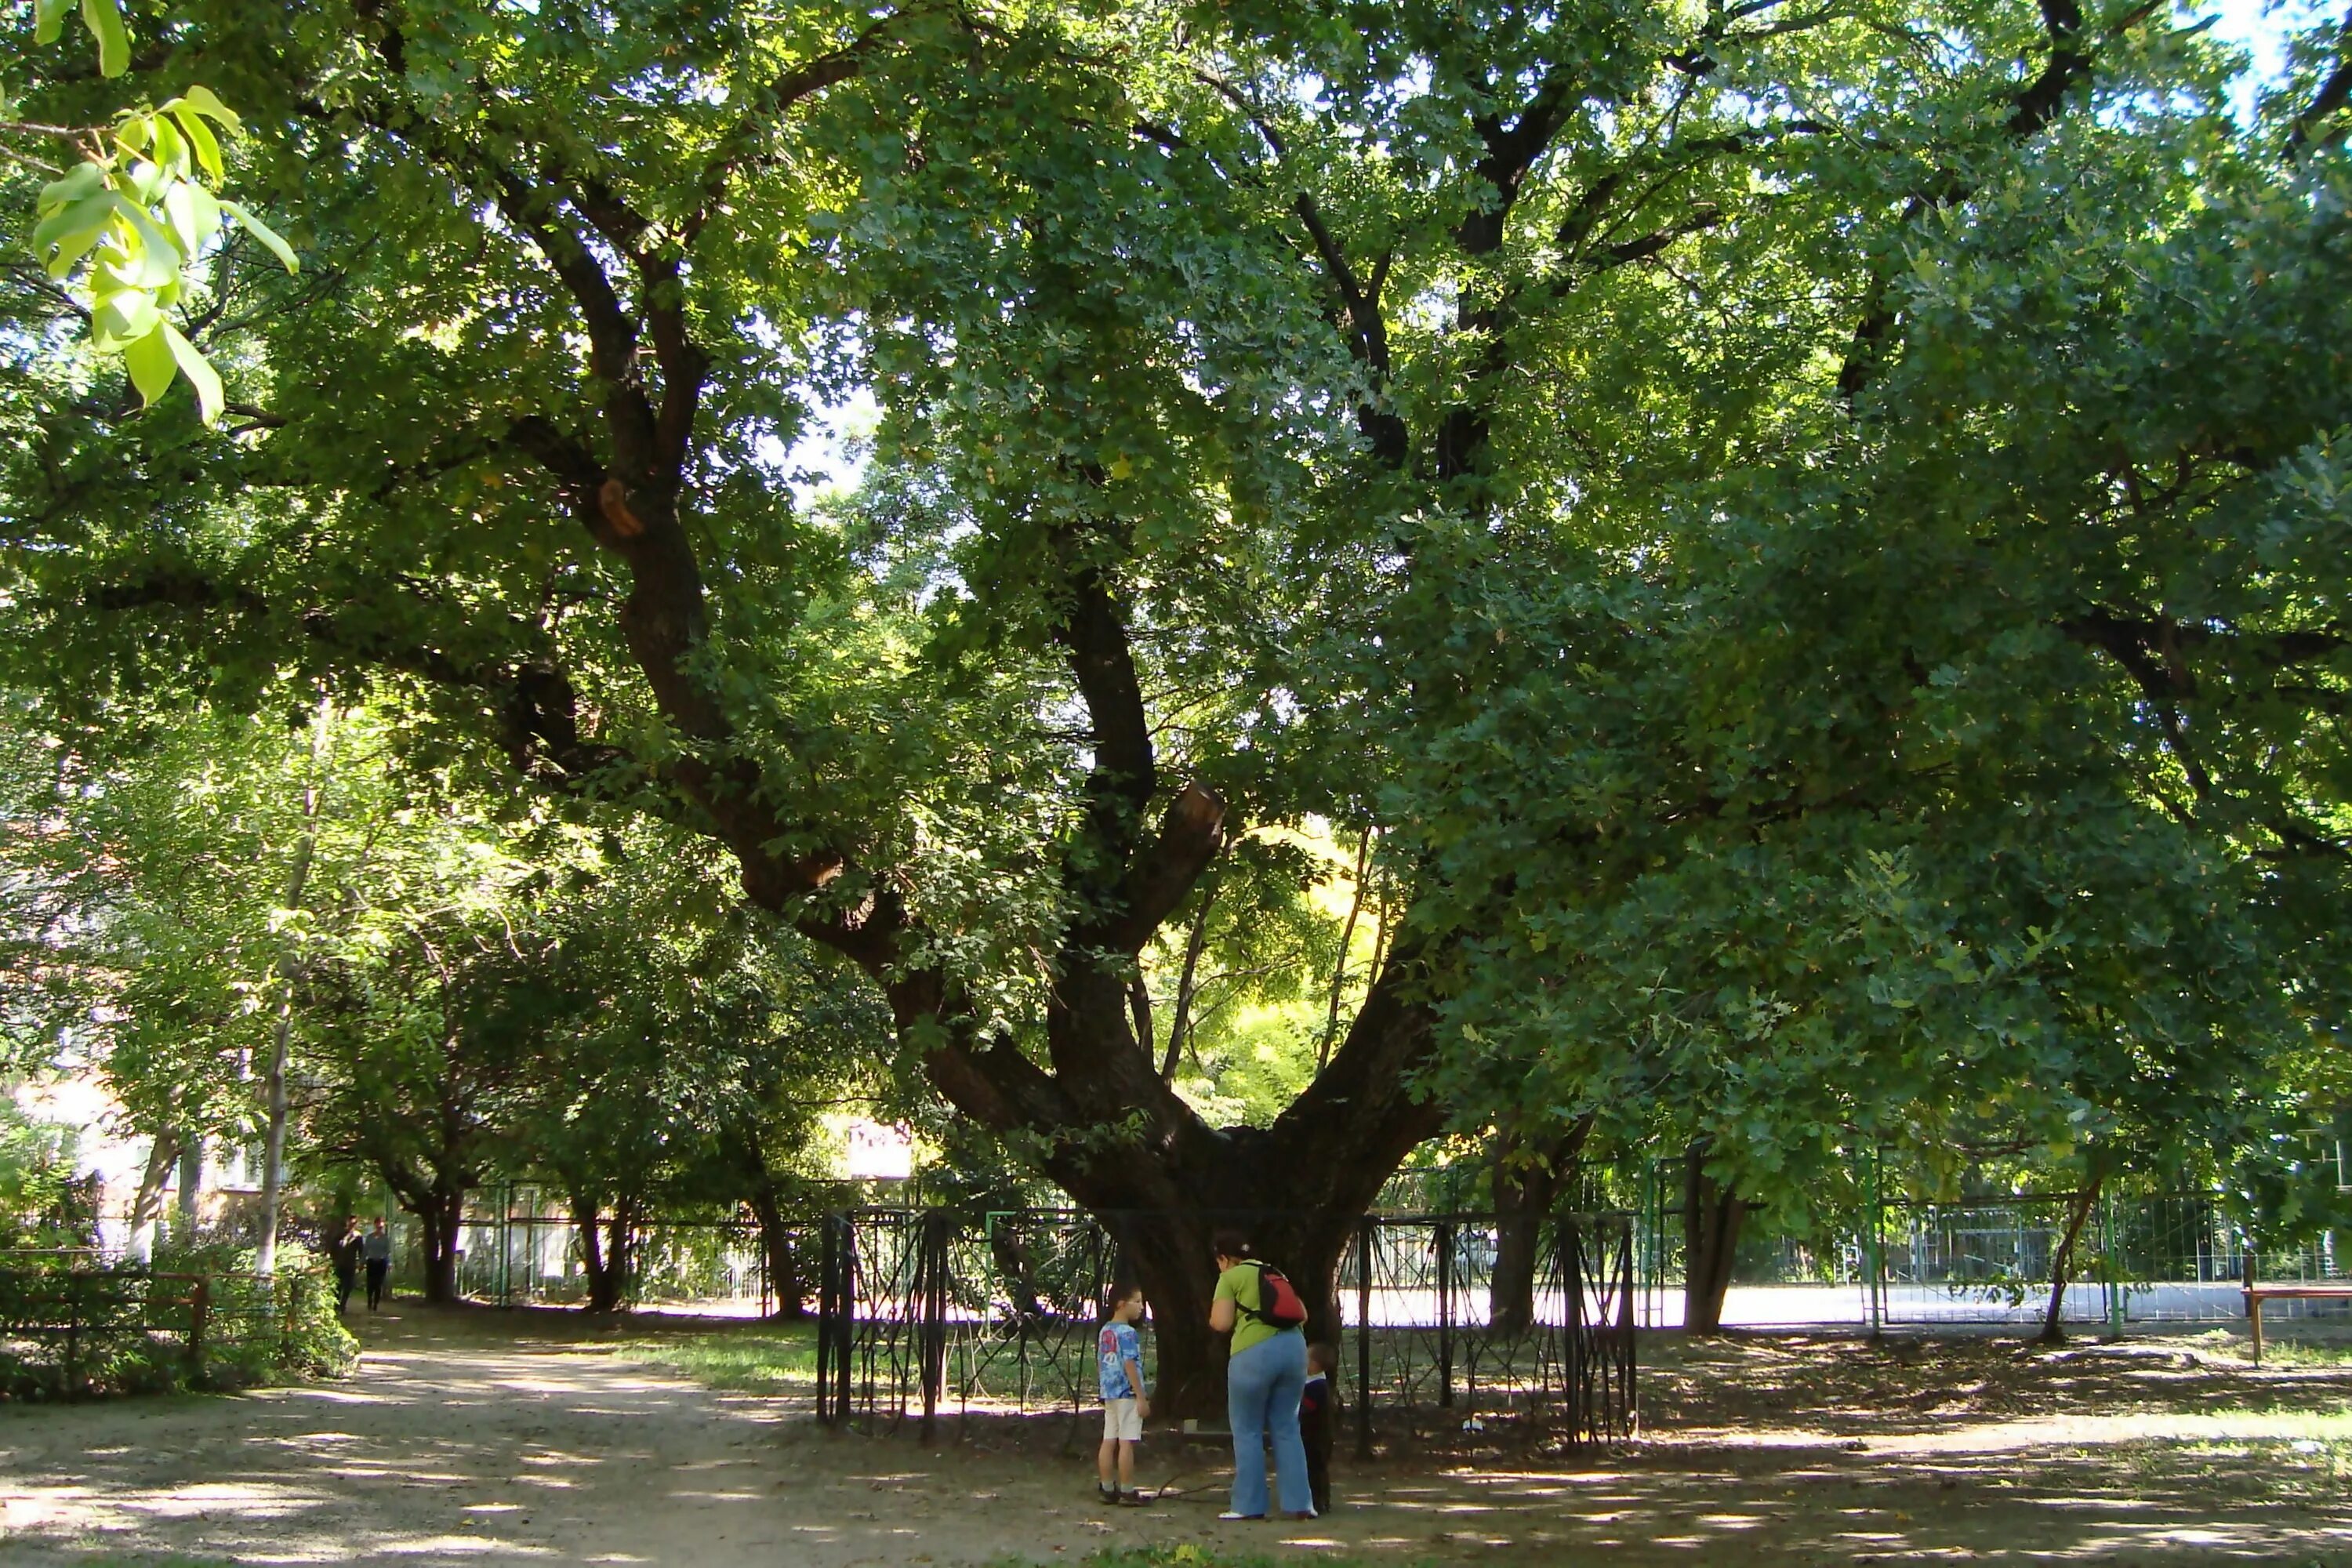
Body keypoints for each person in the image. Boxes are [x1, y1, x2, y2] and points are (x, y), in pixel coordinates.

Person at [1209, 1228, 1313, 1522]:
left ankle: (1248, 1505)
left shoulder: (1230, 1278)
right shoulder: (1274, 1272)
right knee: (1287, 1427)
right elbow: (1302, 1314)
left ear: (1224, 1259)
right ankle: (1300, 1504)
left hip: (1253, 1353)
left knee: (1248, 1430)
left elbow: (1221, 1322)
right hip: (1295, 1351)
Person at [1095, 1284, 1149, 1506]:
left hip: (1109, 1393)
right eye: (1136, 1302)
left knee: (1109, 1440)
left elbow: (1101, 1361)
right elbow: (1130, 1364)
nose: (1141, 1307)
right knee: (1127, 1442)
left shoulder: (1105, 1330)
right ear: (1120, 1304)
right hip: (1127, 1394)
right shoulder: (1128, 1333)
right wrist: (1141, 1396)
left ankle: (1107, 1487)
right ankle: (1127, 1490)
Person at [1298, 1341, 1338, 1515]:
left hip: (1316, 1435)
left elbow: (1309, 1406)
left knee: (1316, 1468)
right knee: (1315, 1467)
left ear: (1314, 1365)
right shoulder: (1313, 1383)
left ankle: (1319, 1500)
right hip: (1313, 1434)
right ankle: (1320, 1499)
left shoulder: (1317, 1386)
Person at [331, 1218, 361, 1315]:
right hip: (340, 1263)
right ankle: (336, 1305)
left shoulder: (358, 1236)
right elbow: (333, 1248)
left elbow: (361, 1250)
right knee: (338, 1285)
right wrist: (333, 1259)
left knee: (348, 1286)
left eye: (354, 1223)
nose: (352, 1225)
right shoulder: (340, 1234)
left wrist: (360, 1263)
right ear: (347, 1223)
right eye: (350, 1223)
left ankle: (343, 1305)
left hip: (350, 1264)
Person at [361, 1218, 392, 1311]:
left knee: (379, 1284)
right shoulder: (370, 1237)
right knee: (370, 1283)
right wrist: (362, 1262)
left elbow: (388, 1252)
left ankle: (376, 1303)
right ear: (375, 1225)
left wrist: (389, 1263)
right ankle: (370, 1299)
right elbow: (365, 1250)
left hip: (381, 1262)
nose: (380, 1227)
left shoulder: (385, 1238)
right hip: (371, 1261)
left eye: (381, 1226)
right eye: (378, 1225)